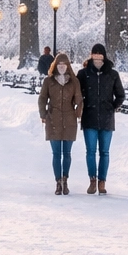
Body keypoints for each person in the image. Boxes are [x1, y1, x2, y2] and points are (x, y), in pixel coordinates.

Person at [77, 44, 125, 195]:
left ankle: (102, 181)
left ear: (104, 55)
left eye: (100, 53)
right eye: (95, 53)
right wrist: (82, 105)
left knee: (104, 152)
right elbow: (76, 92)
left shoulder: (112, 74)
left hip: (106, 119)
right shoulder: (84, 73)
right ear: (91, 55)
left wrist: (112, 107)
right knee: (90, 151)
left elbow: (121, 94)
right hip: (89, 117)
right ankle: (92, 180)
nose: (97, 56)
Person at [38, 52, 83, 194]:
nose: (62, 67)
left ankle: (65, 179)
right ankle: (58, 182)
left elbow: (79, 100)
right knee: (56, 153)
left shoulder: (74, 82)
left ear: (68, 66)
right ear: (55, 66)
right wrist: (43, 114)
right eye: (59, 64)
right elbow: (42, 98)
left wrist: (78, 113)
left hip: (69, 121)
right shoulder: (48, 81)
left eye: (64, 64)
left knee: (67, 153)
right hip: (53, 120)